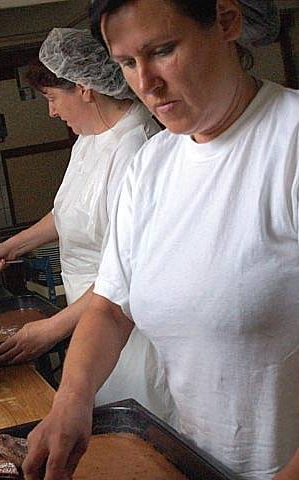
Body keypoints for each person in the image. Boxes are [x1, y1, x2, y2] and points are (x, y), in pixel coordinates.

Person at [21, 1, 299, 480]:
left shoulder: (288, 142)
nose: (146, 83)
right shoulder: (153, 165)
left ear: (227, 21)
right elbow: (110, 306)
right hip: (196, 459)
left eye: (163, 51)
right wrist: (72, 399)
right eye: (128, 63)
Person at [0, 28, 176, 421]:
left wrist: (54, 328)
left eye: (52, 98)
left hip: (129, 331)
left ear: (85, 88)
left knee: (140, 423)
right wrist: (12, 246)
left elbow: (126, 272)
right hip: (88, 321)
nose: (51, 111)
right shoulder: (89, 138)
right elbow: (70, 212)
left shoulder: (137, 150)